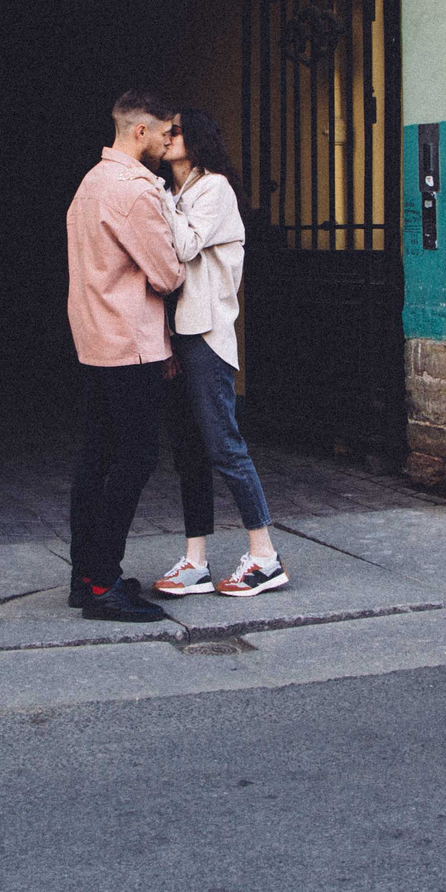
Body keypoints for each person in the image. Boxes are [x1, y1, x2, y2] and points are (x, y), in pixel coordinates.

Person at [150, 109, 285, 600]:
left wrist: (158, 198)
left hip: (207, 336)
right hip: (180, 334)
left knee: (224, 446)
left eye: (177, 130)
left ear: (200, 140)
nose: (168, 136)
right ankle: (196, 561)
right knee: (189, 452)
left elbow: (183, 246)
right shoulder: (180, 192)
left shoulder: (215, 189)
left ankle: (265, 556)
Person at [65, 89, 186, 622]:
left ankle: (84, 575)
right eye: (163, 134)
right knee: (136, 459)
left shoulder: (91, 182)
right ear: (140, 132)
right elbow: (168, 272)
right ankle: (103, 581)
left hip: (94, 340)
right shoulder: (135, 191)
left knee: (96, 460)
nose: (167, 144)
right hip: (131, 346)